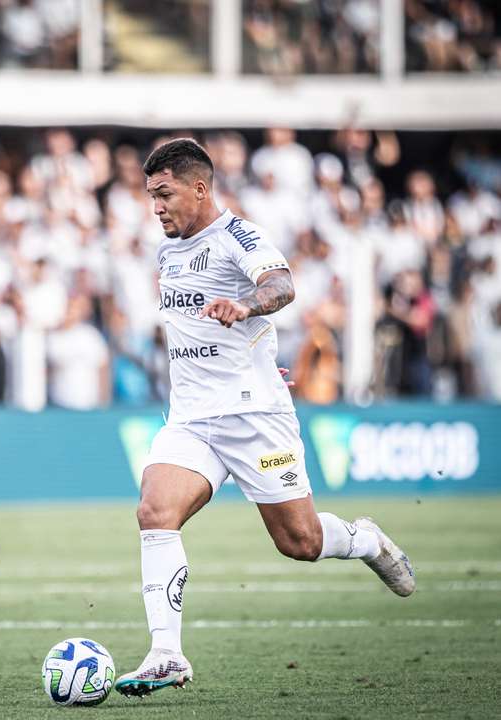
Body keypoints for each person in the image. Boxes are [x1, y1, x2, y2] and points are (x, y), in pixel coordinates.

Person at [114, 139, 415, 697]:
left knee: (299, 542)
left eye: (164, 194)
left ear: (199, 188)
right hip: (192, 419)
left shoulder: (238, 236)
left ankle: (365, 540)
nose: (155, 206)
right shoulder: (169, 250)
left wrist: (248, 306)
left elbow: (281, 284)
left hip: (255, 418)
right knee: (155, 511)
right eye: (150, 195)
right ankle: (166, 654)